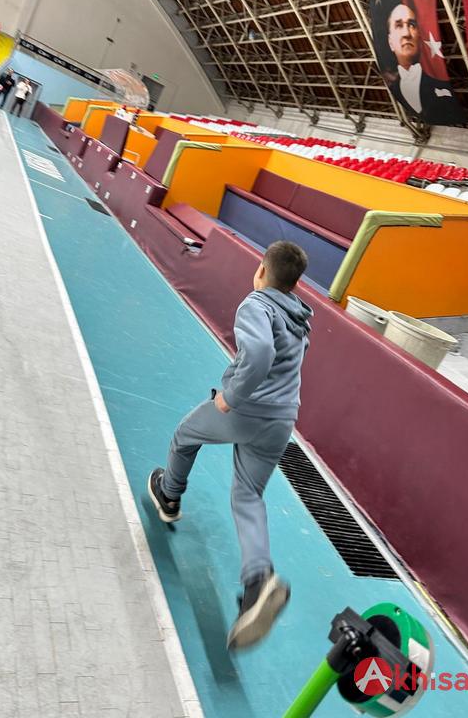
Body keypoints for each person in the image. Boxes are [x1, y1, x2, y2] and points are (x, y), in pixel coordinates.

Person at [148, 240, 313, 650]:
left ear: (262, 270)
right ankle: (258, 581)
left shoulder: (257, 304)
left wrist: (232, 397)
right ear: (295, 283)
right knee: (248, 495)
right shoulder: (299, 317)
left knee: (185, 435)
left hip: (246, 410)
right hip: (281, 421)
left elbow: (259, 352)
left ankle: (169, 495)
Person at [385, 3, 467, 125]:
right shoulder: (393, 87)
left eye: (412, 25)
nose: (406, 33)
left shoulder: (441, 86)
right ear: (390, 42)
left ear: (420, 37)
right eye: (399, 25)